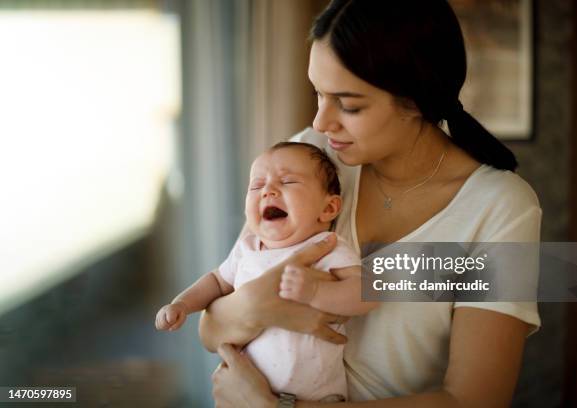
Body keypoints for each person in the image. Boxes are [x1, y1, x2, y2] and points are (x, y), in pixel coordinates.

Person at [202, 1, 542, 407]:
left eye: (349, 104)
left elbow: (476, 399)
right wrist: (257, 305)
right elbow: (211, 328)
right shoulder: (311, 161)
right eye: (318, 93)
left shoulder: (501, 208)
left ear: (416, 101)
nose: (320, 122)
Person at [155, 142, 377, 402]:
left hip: (318, 398)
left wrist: (317, 290)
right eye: (257, 185)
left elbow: (369, 292)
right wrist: (182, 303)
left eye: (287, 182)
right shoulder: (247, 247)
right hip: (240, 394)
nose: (268, 191)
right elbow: (216, 281)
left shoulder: (326, 247)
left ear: (327, 209)